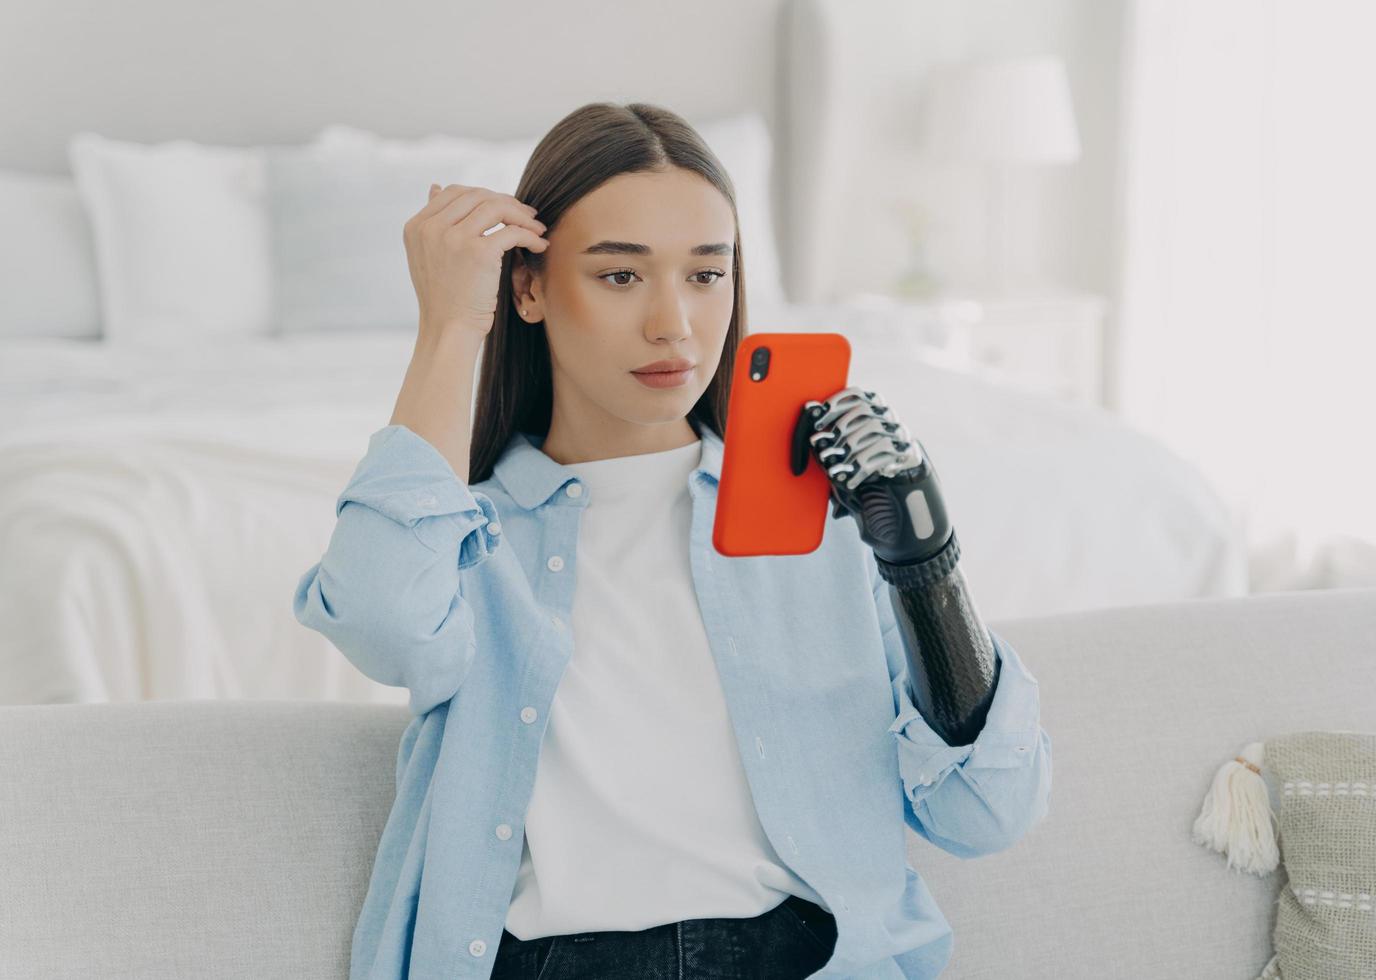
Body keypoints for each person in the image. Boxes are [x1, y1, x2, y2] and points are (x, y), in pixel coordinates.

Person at [293, 101, 1051, 980]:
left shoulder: (823, 525)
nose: (675, 326)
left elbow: (988, 812)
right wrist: (452, 328)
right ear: (529, 287)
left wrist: (926, 568)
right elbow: (384, 621)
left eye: (705, 275)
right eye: (621, 277)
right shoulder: (465, 539)